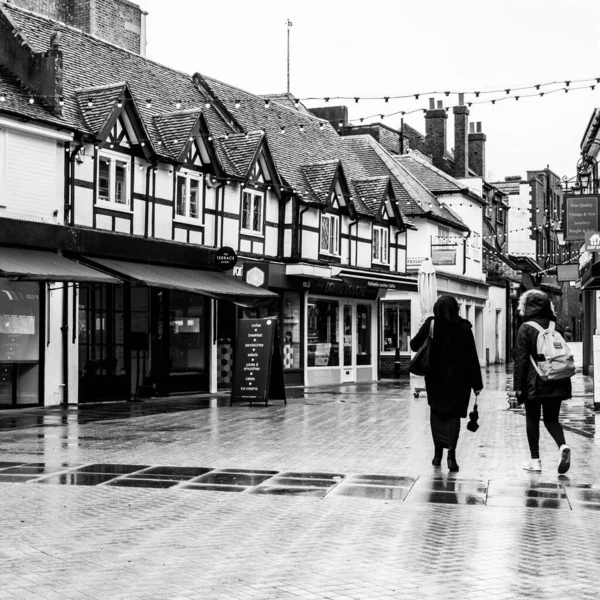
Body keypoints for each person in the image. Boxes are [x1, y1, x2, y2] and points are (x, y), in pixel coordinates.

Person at [410, 295, 483, 472]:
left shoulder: (432, 324)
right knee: (453, 417)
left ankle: (437, 455)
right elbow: (472, 357)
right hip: (460, 382)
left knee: (437, 415)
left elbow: (414, 345)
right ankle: (451, 455)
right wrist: (477, 384)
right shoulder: (464, 327)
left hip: (436, 380)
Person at [514, 289, 571, 474]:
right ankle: (562, 446)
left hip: (535, 382)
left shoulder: (526, 328)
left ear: (525, 306)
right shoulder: (556, 326)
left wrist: (518, 388)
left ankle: (535, 460)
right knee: (551, 419)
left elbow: (521, 360)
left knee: (532, 418)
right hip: (558, 379)